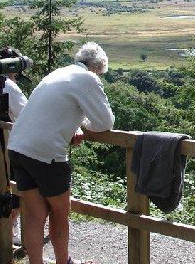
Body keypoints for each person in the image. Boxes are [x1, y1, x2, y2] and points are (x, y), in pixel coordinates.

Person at [7, 42, 115, 264]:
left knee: (35, 214)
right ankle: (63, 261)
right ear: (98, 67)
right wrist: (84, 125)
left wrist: (75, 123)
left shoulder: (59, 72)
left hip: (18, 146)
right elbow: (105, 123)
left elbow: (53, 111)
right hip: (46, 153)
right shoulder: (88, 78)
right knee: (59, 212)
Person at [0, 46, 29, 245]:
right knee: (12, 188)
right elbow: (24, 113)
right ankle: (9, 233)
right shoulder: (7, 85)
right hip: (6, 145)